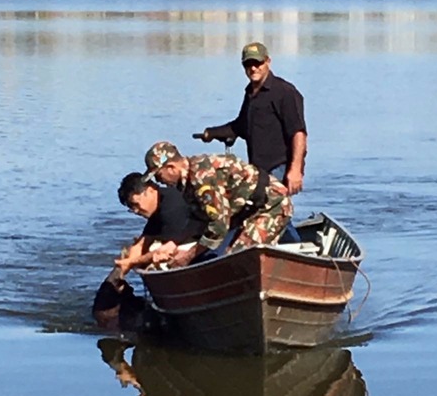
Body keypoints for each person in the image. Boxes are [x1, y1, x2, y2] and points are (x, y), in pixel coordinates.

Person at [141, 141, 293, 268]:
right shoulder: (186, 183)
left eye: (159, 175)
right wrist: (173, 243)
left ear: (171, 168)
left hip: (270, 205)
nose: (159, 182)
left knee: (239, 258)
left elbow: (219, 225)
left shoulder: (201, 178)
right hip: (245, 210)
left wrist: (188, 256)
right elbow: (199, 219)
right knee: (219, 255)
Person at [199, 41, 307, 196]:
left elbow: (298, 133)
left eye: (257, 63)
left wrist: (295, 170)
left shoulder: (284, 92)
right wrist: (212, 133)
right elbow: (241, 126)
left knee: (272, 213)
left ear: (268, 61)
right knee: (261, 213)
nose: (253, 68)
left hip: (280, 168)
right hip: (259, 171)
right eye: (248, 64)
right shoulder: (251, 93)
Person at [114, 172, 206, 276]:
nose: (135, 211)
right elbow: (141, 244)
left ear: (150, 190)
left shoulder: (171, 206)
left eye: (136, 204)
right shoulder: (157, 209)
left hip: (209, 240)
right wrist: (118, 274)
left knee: (160, 255)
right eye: (131, 208)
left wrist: (131, 262)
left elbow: (166, 250)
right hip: (190, 238)